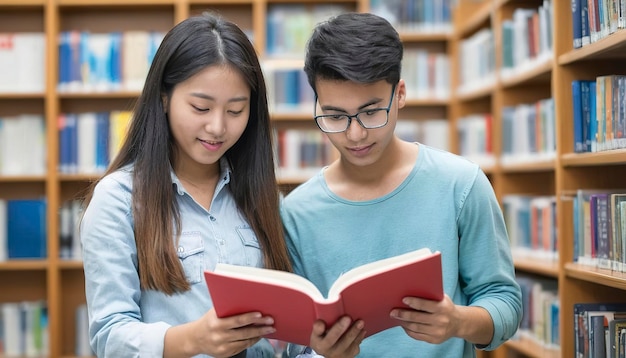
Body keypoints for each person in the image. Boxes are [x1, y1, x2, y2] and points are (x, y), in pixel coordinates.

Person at [280, 12, 523, 357]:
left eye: (371, 111)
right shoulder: (295, 212)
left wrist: (458, 323)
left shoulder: (461, 184)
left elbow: (505, 302)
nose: (355, 134)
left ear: (401, 94)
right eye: (334, 116)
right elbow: (294, 342)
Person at [80, 12, 292, 358]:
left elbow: (286, 334)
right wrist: (194, 339)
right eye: (200, 107)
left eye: (236, 111)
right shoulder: (119, 199)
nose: (217, 127)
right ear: (164, 98)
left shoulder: (265, 199)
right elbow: (110, 335)